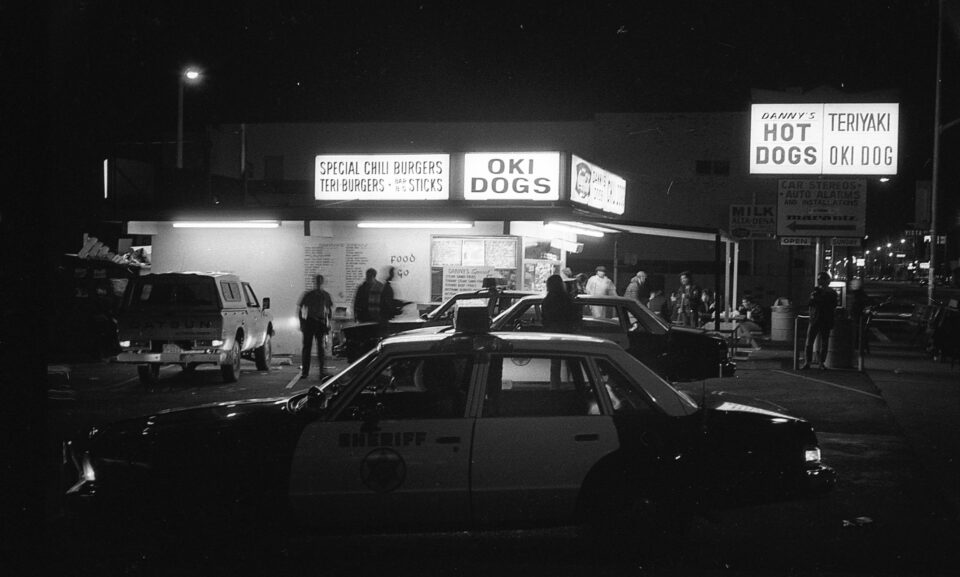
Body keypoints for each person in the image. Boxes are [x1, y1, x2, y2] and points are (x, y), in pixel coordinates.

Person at [542, 274, 583, 386]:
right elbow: (575, 316)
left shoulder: (547, 300)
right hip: (568, 334)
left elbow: (545, 319)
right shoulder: (567, 299)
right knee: (573, 362)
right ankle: (577, 386)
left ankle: (555, 387)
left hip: (554, 335)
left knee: (555, 364)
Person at [801, 272, 839, 370]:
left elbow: (832, 305)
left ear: (826, 281)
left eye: (821, 279)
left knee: (824, 342)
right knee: (810, 342)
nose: (819, 281)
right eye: (818, 279)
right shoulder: (815, 292)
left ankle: (821, 362)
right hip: (815, 319)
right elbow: (810, 304)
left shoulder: (831, 293)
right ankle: (808, 362)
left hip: (825, 319)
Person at [297, 274, 333, 379]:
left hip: (319, 322)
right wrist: (302, 322)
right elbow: (301, 309)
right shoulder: (310, 295)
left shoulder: (324, 295)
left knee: (320, 349)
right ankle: (306, 371)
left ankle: (321, 371)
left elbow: (328, 311)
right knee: (308, 348)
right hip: (311, 322)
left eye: (319, 281)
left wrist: (328, 323)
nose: (318, 283)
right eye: (318, 281)